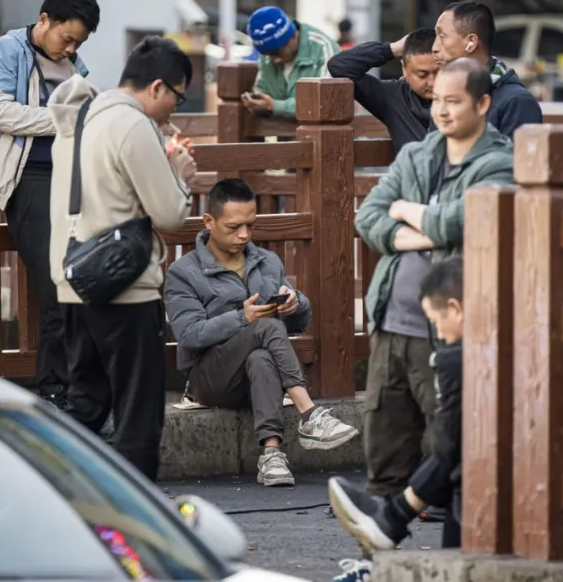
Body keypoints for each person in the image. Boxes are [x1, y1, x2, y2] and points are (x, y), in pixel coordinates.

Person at [354, 57, 513, 501]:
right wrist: (417, 235)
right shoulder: (416, 154)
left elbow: (464, 222)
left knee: (452, 452)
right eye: (437, 101)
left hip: (448, 328)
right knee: (384, 453)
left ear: (483, 104)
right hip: (391, 321)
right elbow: (367, 218)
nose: (441, 111)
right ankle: (380, 553)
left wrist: (407, 211)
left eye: (453, 102)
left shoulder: (500, 162)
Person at [48, 36, 196, 481]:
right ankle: (141, 519)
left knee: (87, 405)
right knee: (138, 412)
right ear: (157, 87)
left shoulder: (80, 118)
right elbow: (171, 213)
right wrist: (181, 173)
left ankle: (60, 491)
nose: (175, 108)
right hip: (125, 288)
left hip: (74, 280)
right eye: (178, 96)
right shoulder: (132, 125)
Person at [164, 178, 359, 487]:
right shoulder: (183, 272)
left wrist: (296, 305)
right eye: (233, 227)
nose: (243, 235)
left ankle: (271, 454)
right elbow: (189, 335)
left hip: (255, 375)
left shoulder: (267, 261)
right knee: (263, 326)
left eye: (250, 225)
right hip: (209, 379)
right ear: (208, 221)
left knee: (260, 356)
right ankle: (310, 416)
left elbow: (293, 326)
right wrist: (242, 318)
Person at [0, 0, 100, 411]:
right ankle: (52, 390)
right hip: (28, 177)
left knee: (79, 280)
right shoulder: (8, 51)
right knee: (56, 284)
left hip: (71, 178)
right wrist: (60, 121)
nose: (70, 49)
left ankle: (75, 389)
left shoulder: (74, 63)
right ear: (44, 20)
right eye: (67, 39)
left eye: (78, 43)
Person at [328, 257, 465, 555]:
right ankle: (390, 518)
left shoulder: (456, 358)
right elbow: (371, 218)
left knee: (453, 453)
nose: (439, 334)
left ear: (456, 309)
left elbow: (449, 447)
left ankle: (391, 518)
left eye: (437, 323)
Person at [432, 1, 542, 139]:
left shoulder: (516, 102)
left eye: (442, 37)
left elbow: (516, 159)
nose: (434, 47)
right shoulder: (443, 94)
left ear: (471, 42)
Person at [327, 28, 439, 152]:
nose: (432, 82)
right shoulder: (393, 98)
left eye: (439, 72)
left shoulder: (462, 94)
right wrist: (391, 49)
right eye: (422, 74)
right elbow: (339, 66)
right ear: (405, 70)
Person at [242, 6, 339, 118]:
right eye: (268, 54)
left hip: (325, 133)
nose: (275, 59)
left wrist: (275, 106)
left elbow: (325, 102)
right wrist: (257, 103)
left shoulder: (323, 48)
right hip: (283, 133)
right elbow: (263, 90)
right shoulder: (268, 54)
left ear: (293, 36)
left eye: (277, 52)